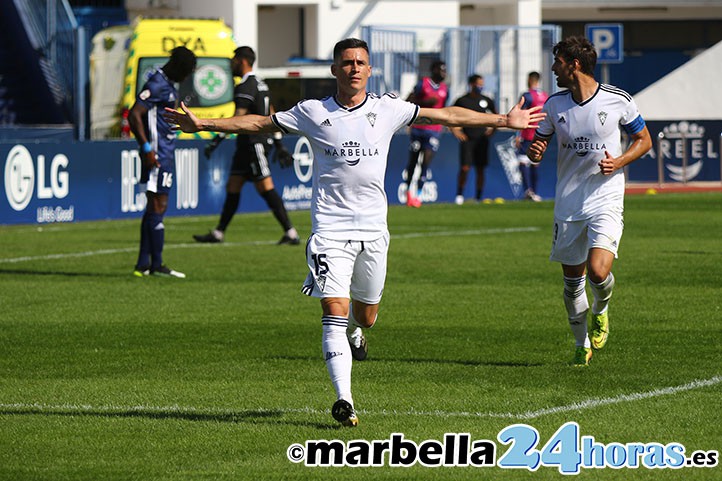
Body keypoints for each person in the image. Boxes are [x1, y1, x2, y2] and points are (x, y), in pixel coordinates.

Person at [165, 38, 545, 426]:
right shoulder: (312, 112)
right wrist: (204, 123)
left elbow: (445, 115)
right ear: (335, 70)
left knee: (366, 316)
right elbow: (259, 122)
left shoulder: (387, 109)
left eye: (361, 62)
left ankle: (359, 335)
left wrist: (502, 121)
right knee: (334, 310)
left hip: (374, 231)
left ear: (370, 69)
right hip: (330, 230)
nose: (354, 68)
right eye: (347, 63)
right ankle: (344, 399)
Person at [526, 36, 652, 367]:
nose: (553, 68)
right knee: (572, 282)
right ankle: (582, 344)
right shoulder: (554, 105)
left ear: (574, 64)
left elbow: (644, 139)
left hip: (605, 196)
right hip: (568, 202)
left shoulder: (617, 100)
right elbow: (538, 145)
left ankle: (601, 308)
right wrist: (535, 151)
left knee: (598, 271)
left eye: (557, 62)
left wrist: (620, 162)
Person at [193, 46, 300, 245]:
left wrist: (217, 139)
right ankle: (218, 233)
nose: (231, 64)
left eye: (234, 59)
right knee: (233, 186)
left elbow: (238, 118)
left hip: (254, 144)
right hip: (246, 145)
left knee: (266, 187)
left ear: (242, 61)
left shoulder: (245, 85)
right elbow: (272, 112)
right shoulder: (261, 83)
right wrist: (278, 143)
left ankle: (291, 233)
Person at [129, 46, 197, 278]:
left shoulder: (167, 84)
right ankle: (156, 265)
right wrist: (146, 147)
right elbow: (134, 114)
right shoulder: (157, 83)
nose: (187, 77)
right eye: (186, 71)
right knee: (158, 205)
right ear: (178, 67)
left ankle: (143, 265)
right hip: (157, 155)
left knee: (154, 206)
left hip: (164, 153)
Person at [403, 60, 448, 207]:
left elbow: (444, 109)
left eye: (445, 70)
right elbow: (408, 100)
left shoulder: (444, 89)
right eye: (441, 70)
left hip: (434, 130)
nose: (444, 73)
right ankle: (408, 192)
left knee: (425, 163)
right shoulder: (423, 83)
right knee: (413, 162)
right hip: (418, 128)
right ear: (433, 70)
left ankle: (419, 196)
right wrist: (425, 101)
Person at [449, 74, 498, 205]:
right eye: (478, 84)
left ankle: (478, 197)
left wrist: (492, 130)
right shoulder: (462, 101)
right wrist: (455, 130)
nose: (480, 87)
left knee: (480, 169)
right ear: (471, 84)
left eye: (482, 84)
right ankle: (459, 195)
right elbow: (450, 115)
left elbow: (497, 116)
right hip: (468, 140)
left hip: (482, 140)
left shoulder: (487, 100)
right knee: (465, 168)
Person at [516, 71, 549, 202]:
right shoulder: (545, 96)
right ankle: (534, 192)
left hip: (527, 133)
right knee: (535, 162)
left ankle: (528, 191)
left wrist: (518, 134)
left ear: (530, 79)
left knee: (523, 162)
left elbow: (520, 114)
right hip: (540, 134)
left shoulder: (527, 95)